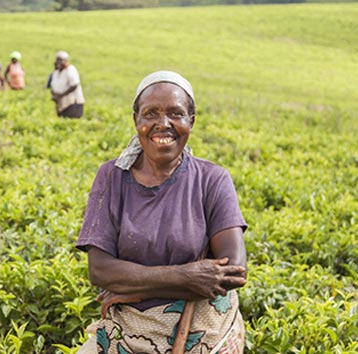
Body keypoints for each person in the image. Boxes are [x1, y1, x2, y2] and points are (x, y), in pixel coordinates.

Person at [75, 71, 247, 354]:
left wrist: (132, 287)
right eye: (150, 113)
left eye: (175, 114)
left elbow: (234, 272)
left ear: (190, 121)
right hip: (127, 332)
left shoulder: (212, 179)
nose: (162, 124)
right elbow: (100, 269)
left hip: (205, 333)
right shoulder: (111, 177)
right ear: (136, 121)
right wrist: (185, 277)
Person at [49, 51, 84, 118]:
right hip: (61, 104)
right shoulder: (56, 73)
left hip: (73, 104)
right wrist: (54, 95)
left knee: (71, 120)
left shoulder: (70, 69)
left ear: (66, 61)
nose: (58, 62)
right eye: (57, 60)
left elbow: (74, 85)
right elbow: (53, 86)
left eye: (61, 60)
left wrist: (61, 95)